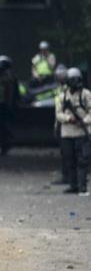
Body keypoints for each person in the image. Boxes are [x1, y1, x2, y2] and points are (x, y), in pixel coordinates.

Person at [55, 68, 91, 196]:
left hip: (82, 132)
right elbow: (58, 114)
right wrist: (68, 119)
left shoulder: (86, 94)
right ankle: (73, 185)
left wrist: (85, 121)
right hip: (67, 133)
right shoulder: (62, 96)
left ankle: (82, 187)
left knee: (82, 160)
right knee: (69, 160)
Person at [52, 64, 69, 185]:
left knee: (70, 152)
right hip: (60, 122)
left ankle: (70, 176)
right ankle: (66, 175)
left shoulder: (71, 89)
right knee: (64, 152)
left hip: (69, 123)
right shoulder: (58, 89)